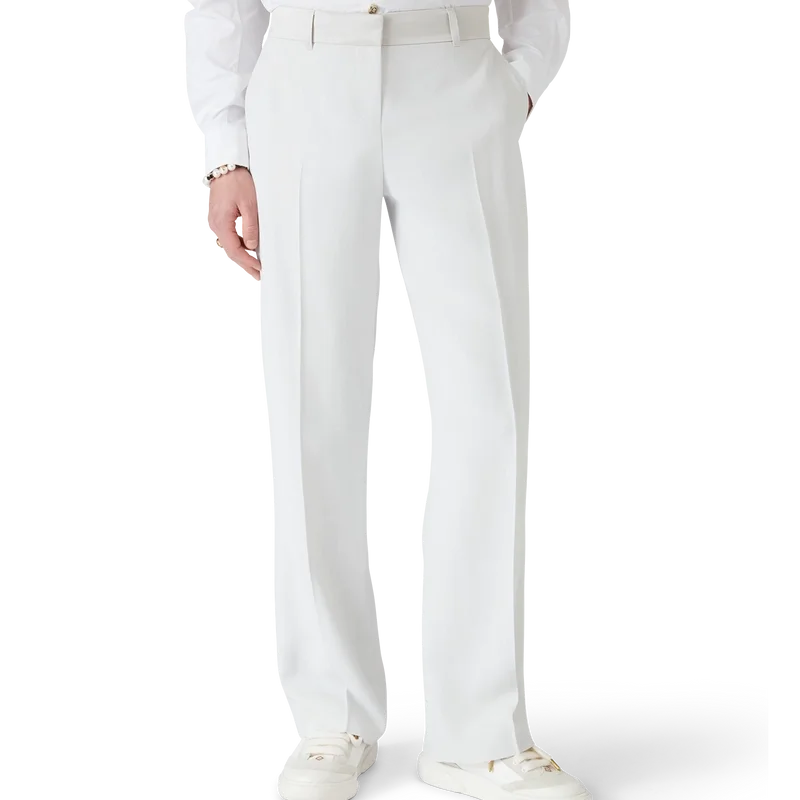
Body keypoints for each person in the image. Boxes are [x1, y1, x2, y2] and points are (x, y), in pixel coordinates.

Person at [186, 2, 586, 799]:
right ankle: (328, 713)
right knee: (311, 401)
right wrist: (224, 149)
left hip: (459, 66)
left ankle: (481, 732)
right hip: (305, 69)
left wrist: (523, 80)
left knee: (488, 405)